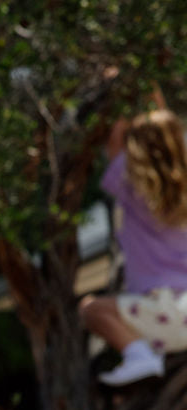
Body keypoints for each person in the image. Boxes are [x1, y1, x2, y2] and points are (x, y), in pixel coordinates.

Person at [80, 104, 187, 386]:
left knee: (91, 310)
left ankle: (139, 356)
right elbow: (163, 120)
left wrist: (121, 94)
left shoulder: (132, 188)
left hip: (164, 311)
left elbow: (114, 141)